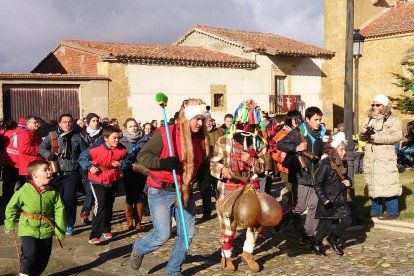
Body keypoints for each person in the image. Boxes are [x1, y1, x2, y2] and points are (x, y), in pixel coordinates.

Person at [129, 98, 209, 275]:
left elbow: (201, 163)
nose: (200, 122)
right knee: (162, 235)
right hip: (160, 190)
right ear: (187, 117)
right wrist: (163, 163)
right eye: (197, 118)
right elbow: (143, 156)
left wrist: (204, 178)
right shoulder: (166, 133)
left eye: (202, 119)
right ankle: (140, 247)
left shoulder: (200, 139)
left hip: (184, 191)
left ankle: (173, 270)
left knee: (186, 235)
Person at [210, 100, 267, 272]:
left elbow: (265, 166)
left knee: (256, 221)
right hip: (229, 188)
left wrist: (253, 161)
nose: (247, 127)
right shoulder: (223, 141)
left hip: (251, 187)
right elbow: (213, 164)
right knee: (229, 224)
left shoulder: (259, 142)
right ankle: (226, 256)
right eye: (243, 123)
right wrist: (223, 169)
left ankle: (248, 252)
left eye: (251, 124)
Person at [4, 160, 66, 276]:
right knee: (30, 254)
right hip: (28, 228)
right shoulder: (23, 191)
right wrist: (9, 223)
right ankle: (24, 274)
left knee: (43, 258)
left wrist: (60, 230)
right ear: (35, 175)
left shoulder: (53, 192)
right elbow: (11, 207)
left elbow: (60, 210)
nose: (49, 172)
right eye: (45, 170)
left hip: (47, 229)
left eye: (49, 169)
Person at [277, 107, 325, 246]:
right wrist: (296, 148)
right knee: (299, 207)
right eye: (316, 120)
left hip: (316, 177)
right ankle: (279, 220)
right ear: (308, 119)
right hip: (301, 176)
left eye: (320, 119)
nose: (318, 122)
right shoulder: (298, 132)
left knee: (314, 206)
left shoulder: (320, 133)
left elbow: (322, 151)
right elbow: (280, 144)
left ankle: (307, 235)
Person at [79, 125, 130, 244]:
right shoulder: (95, 148)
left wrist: (121, 164)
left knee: (109, 205)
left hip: (113, 179)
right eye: (114, 138)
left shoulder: (121, 149)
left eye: (118, 138)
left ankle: (106, 228)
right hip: (98, 179)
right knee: (100, 205)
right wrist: (90, 166)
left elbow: (128, 161)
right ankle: (95, 234)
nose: (117, 140)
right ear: (106, 138)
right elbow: (82, 158)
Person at [40, 113, 88, 235]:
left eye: (69, 122)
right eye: (64, 122)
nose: (67, 124)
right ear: (59, 123)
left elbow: (85, 152)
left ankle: (69, 224)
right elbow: (42, 148)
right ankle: (55, 221)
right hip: (55, 173)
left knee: (69, 199)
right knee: (55, 199)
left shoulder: (77, 137)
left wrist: (82, 164)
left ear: (72, 123)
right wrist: (48, 155)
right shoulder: (52, 136)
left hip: (72, 172)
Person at [359, 94, 402, 220]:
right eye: (373, 104)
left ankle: (392, 212)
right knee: (372, 182)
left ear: (385, 105)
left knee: (388, 183)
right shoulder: (368, 119)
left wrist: (376, 137)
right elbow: (362, 135)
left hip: (385, 157)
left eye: (378, 105)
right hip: (371, 157)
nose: (374, 107)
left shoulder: (393, 120)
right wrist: (363, 135)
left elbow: (397, 136)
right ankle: (375, 210)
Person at [312, 138, 352, 256]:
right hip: (328, 200)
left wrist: (349, 182)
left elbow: (345, 178)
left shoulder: (343, 163)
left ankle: (332, 239)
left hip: (340, 198)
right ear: (333, 150)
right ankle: (317, 243)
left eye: (344, 149)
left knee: (347, 220)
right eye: (341, 149)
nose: (344, 152)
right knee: (325, 225)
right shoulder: (326, 165)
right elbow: (317, 183)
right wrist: (324, 199)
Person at [272, 110, 303, 212]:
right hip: (286, 169)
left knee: (295, 196)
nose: (299, 121)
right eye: (296, 119)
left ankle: (290, 217)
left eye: (299, 119)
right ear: (290, 120)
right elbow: (273, 151)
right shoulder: (282, 133)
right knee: (292, 195)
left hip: (298, 168)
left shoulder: (300, 131)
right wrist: (281, 155)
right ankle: (281, 216)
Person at [119, 118, 145, 231]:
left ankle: (138, 221)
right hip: (128, 170)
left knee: (140, 195)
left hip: (141, 170)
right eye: (130, 126)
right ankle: (129, 220)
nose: (133, 128)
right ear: (126, 128)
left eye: (134, 126)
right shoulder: (122, 141)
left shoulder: (144, 139)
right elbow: (120, 156)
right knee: (130, 195)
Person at [79, 113, 103, 224]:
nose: (96, 122)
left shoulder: (103, 134)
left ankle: (94, 212)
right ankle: (85, 212)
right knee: (89, 190)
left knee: (97, 191)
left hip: (100, 165)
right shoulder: (81, 135)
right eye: (93, 120)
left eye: (97, 120)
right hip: (86, 166)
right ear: (88, 122)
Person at [0, 119, 24, 205]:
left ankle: (6, 202)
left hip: (8, 162)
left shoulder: (6, 133)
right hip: (21, 164)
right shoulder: (26, 133)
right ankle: (20, 202)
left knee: (7, 185)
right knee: (22, 185)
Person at [17, 116, 44, 182]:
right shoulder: (25, 134)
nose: (37, 124)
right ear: (27, 124)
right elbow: (25, 148)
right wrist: (41, 150)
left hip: (36, 164)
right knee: (31, 187)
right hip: (30, 166)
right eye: (35, 122)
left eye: (37, 122)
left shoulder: (34, 134)